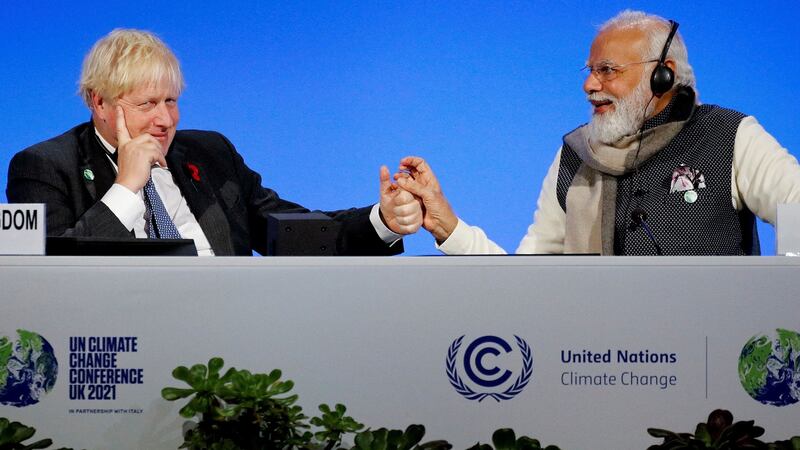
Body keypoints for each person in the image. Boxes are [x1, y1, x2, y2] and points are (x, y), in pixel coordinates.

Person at [396, 10, 800, 255]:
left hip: (710, 355)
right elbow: (525, 284)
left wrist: (779, 307)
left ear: (662, 75)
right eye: (590, 71)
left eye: (607, 70)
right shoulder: (575, 154)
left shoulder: (729, 136)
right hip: (595, 358)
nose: (589, 85)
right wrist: (450, 228)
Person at [6, 29, 421, 256]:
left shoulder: (210, 154)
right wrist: (126, 188)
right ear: (100, 102)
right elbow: (53, 272)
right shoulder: (44, 166)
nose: (165, 120)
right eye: (148, 104)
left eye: (171, 101)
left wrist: (381, 222)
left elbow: (292, 231)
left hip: (230, 328)